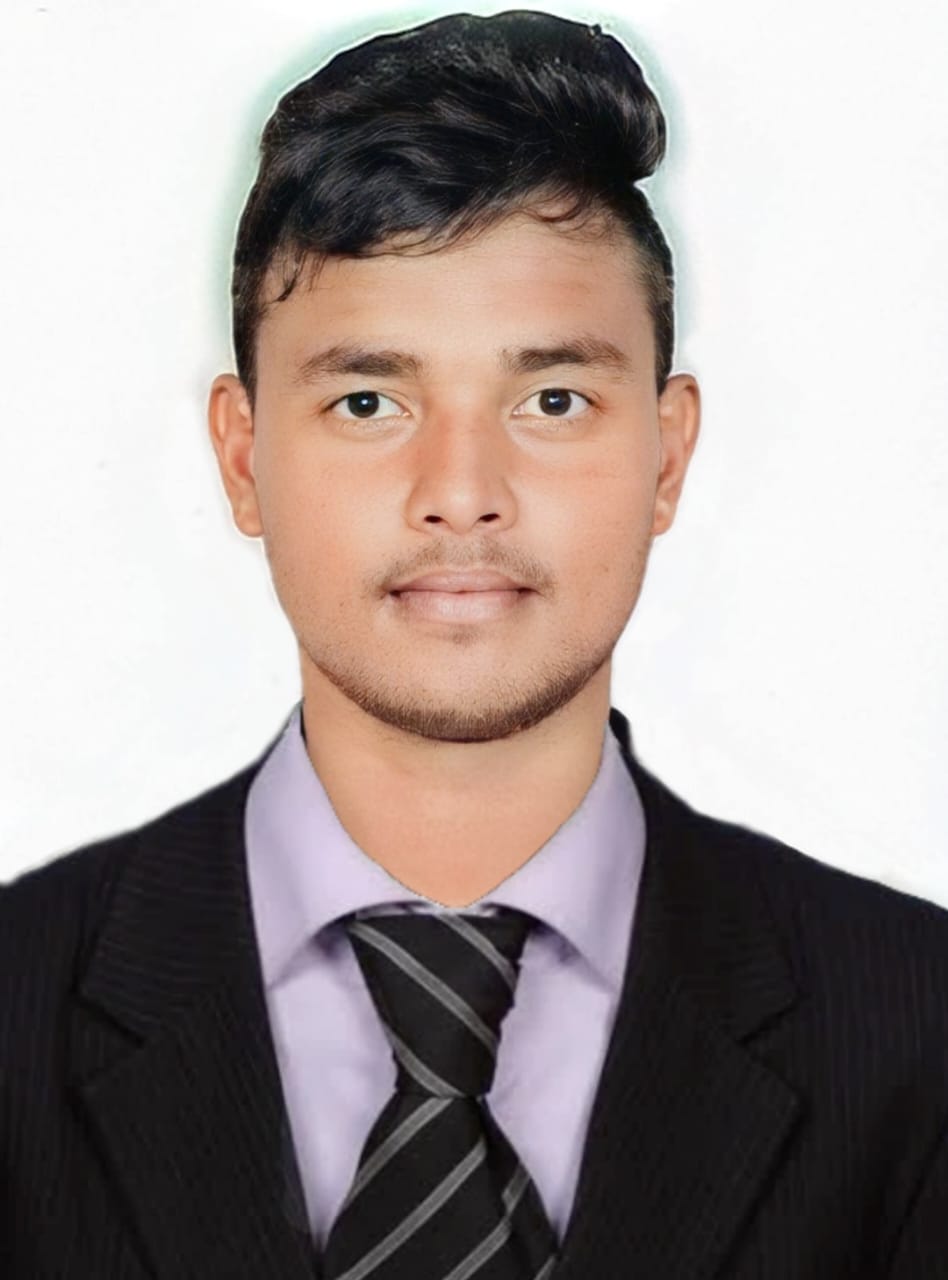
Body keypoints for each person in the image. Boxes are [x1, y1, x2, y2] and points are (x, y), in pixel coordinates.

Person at [2, 9, 947, 1277]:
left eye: (552, 399)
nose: (460, 492)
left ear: (666, 455)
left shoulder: (917, 1031)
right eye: (368, 400)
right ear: (242, 456)